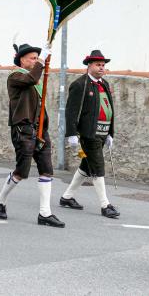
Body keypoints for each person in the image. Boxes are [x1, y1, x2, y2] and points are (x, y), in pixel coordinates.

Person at [0, 42, 64, 227]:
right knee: (22, 172)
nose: (35, 60)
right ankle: (0, 199)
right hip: (23, 128)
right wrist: (42, 61)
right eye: (32, 58)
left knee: (47, 169)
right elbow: (31, 79)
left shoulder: (34, 77)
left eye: (36, 57)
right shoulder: (15, 76)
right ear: (22, 60)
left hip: (40, 128)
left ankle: (45, 213)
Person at [60, 50, 120, 219]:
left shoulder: (104, 84)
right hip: (89, 134)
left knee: (87, 166)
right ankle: (105, 205)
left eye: (103, 65)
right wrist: (71, 134)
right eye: (97, 65)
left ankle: (67, 197)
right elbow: (71, 111)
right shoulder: (80, 84)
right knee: (98, 166)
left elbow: (109, 110)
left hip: (103, 132)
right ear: (89, 65)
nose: (101, 68)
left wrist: (110, 133)